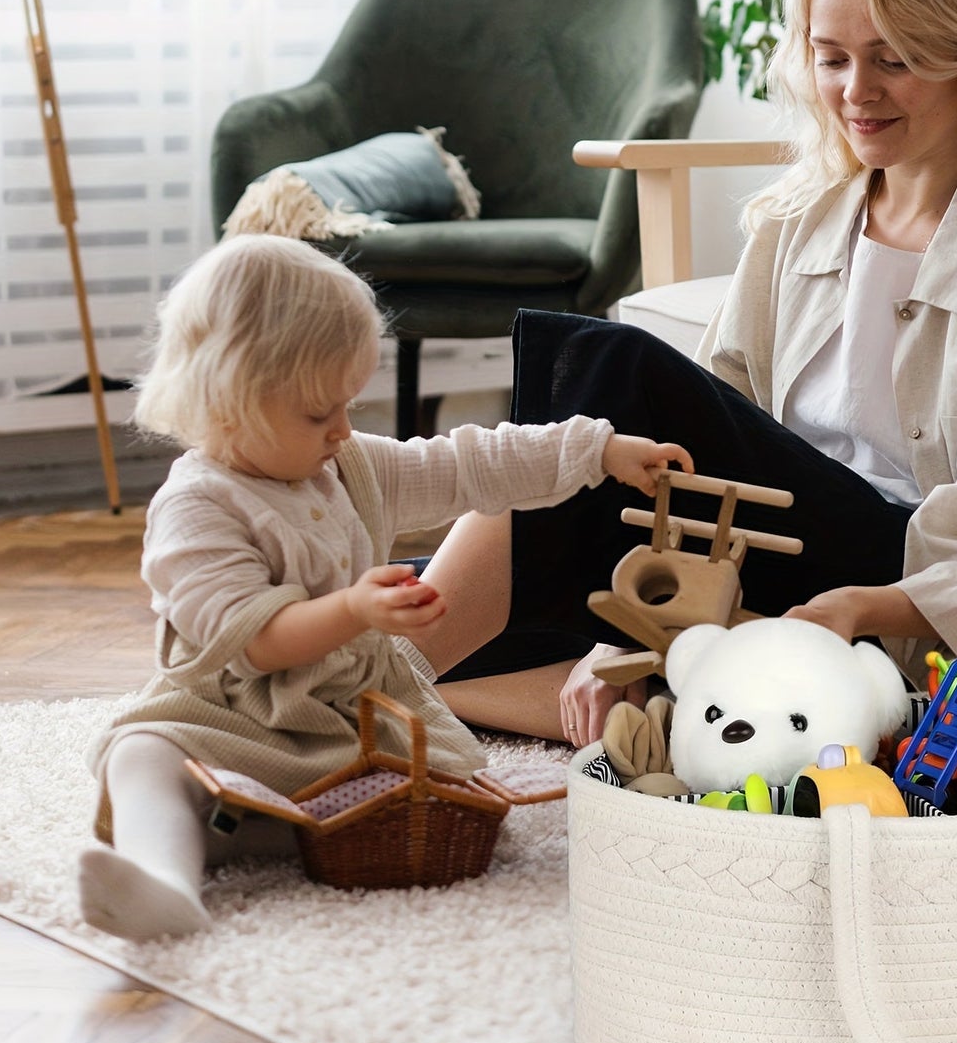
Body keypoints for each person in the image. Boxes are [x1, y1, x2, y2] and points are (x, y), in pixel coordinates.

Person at [405, 0, 957, 751]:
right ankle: (649, 713)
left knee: (610, 368)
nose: (855, 92)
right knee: (416, 587)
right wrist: (659, 604)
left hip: (898, 587)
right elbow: (712, 439)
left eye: (893, 61)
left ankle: (345, 704)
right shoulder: (799, 221)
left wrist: (861, 608)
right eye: (831, 58)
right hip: (766, 552)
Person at [79, 233, 689, 940]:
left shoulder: (349, 465)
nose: (343, 429)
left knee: (437, 794)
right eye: (318, 414)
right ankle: (167, 882)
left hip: (355, 717)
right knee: (139, 752)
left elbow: (470, 466)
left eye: (348, 404)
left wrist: (595, 450)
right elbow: (253, 644)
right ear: (227, 403)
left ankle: (248, 825)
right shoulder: (197, 507)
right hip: (236, 716)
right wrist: (353, 608)